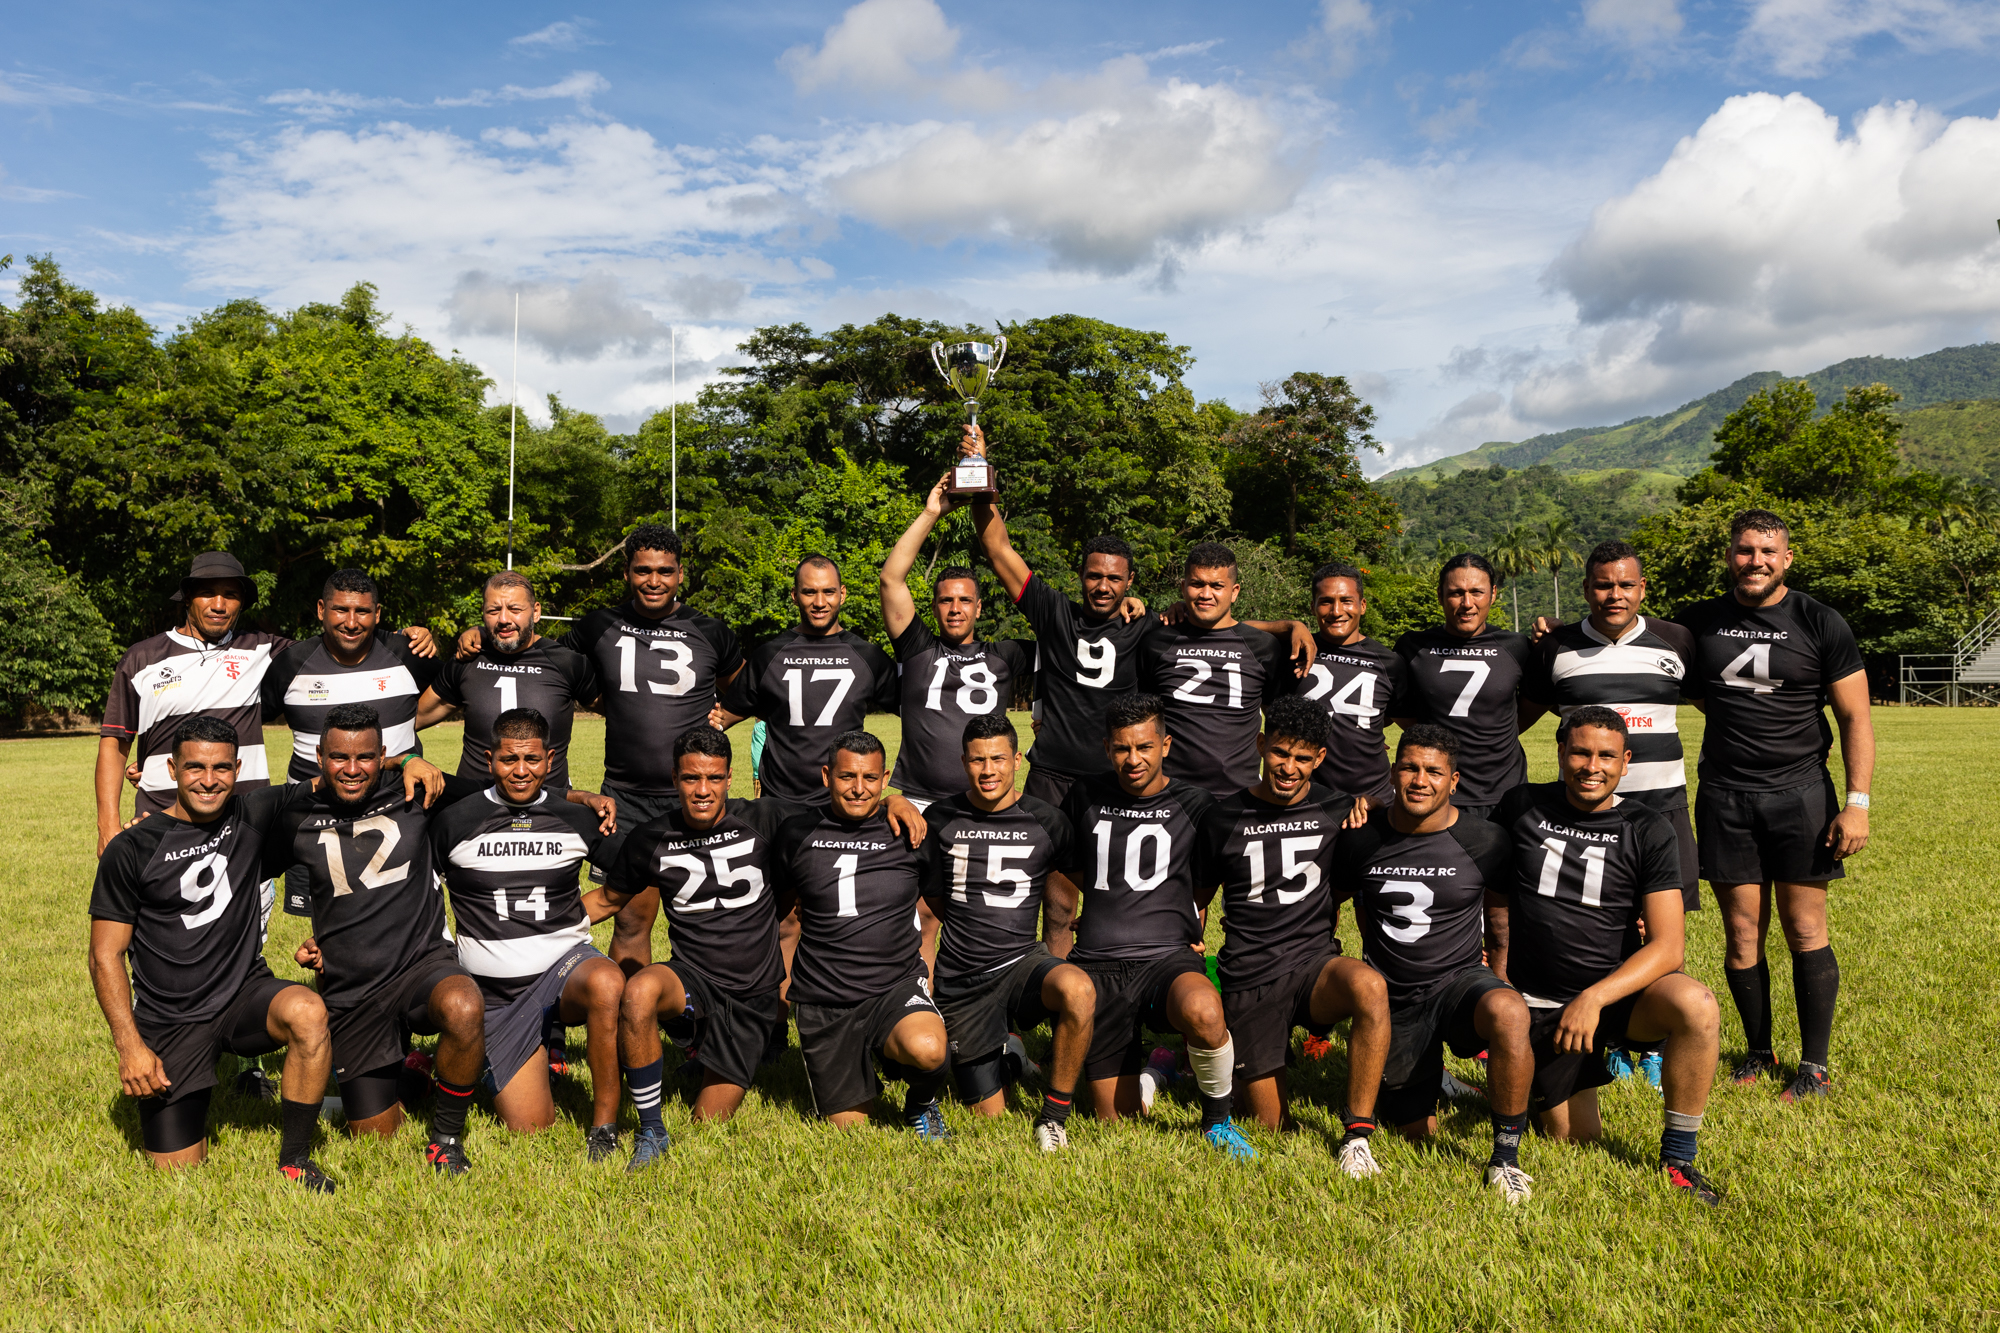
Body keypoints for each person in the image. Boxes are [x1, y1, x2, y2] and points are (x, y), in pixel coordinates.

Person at [88, 717, 337, 1188]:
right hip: (171, 1018)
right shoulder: (133, 848)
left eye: (222, 768)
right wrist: (131, 1047)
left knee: (307, 1011)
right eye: (195, 767)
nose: (208, 780)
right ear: (172, 768)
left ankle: (295, 1159)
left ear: (238, 768)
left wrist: (403, 762)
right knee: (177, 1175)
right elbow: (104, 956)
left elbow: (343, 776)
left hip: (244, 993)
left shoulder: (254, 813)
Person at [1488, 707, 1723, 1204]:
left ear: (1626, 761)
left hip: (1615, 999)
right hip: (1541, 1002)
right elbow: (1489, 885)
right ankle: (1548, 1073)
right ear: (1559, 752)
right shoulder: (1522, 804)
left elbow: (1668, 946)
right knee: (1574, 1139)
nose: (1591, 766)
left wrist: (1594, 999)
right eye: (1580, 752)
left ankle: (1679, 1157)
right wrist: (1497, 959)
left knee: (1696, 1004)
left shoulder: (1649, 827)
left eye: (1606, 756)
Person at [1677, 509, 1872, 1102]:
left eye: (1767, 551)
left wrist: (1857, 802)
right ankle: (1759, 1051)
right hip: (1726, 795)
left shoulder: (1819, 620)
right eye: (1744, 550)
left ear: (1787, 558)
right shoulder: (1701, 622)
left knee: (1805, 927)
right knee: (1741, 934)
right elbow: (1642, 647)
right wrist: (1560, 629)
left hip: (1802, 795)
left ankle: (1814, 1065)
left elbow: (1855, 716)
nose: (1754, 561)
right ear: (1730, 556)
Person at [276, 702, 495, 1175]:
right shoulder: (294, 813)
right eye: (339, 758)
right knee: (375, 1133)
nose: (352, 770)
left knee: (463, 1005)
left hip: (421, 965)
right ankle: (413, 1068)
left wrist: (582, 800)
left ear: (383, 757)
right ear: (319, 756)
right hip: (353, 990)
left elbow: (499, 794)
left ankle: (446, 1139)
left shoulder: (417, 789)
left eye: (366, 758)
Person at [97, 552, 436, 855]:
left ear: (242, 603)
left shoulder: (266, 652)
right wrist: (108, 825)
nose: (219, 604)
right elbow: (114, 743)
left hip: (246, 826)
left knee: (249, 922)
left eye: (230, 595)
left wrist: (405, 635)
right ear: (187, 598)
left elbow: (338, 646)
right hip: (160, 816)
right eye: (207, 593)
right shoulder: (142, 658)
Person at [1330, 724, 1536, 1204]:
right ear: (1393, 771)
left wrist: (1500, 979)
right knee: (1417, 1133)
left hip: (1458, 984)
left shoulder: (1487, 840)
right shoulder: (1362, 838)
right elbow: (1333, 903)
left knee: (1509, 1013)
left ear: (1454, 780)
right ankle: (1433, 1078)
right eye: (1409, 767)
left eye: (1433, 772)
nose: (1420, 780)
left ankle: (1504, 1159)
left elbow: (1499, 919)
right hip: (1393, 997)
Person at [1054, 693, 1256, 1159]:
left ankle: (1216, 1122)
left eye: (1144, 747)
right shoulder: (1084, 794)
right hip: (1099, 964)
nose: (1133, 759)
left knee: (1205, 1013)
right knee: (1115, 1120)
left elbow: (1208, 877)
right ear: (1107, 748)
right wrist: (1111, 901)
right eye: (1122, 748)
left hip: (1167, 959)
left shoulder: (1196, 803)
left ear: (1166, 744)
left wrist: (1188, 914)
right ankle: (1157, 1071)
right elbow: (1068, 861)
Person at [1194, 696, 1388, 1178]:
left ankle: (1357, 1135)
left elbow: (1399, 813)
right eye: (1280, 753)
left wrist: (1373, 804)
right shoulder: (1222, 817)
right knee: (1270, 1125)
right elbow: (1196, 900)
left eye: (1303, 758)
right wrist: (1188, 960)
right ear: (1261, 745)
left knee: (1370, 986)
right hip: (1251, 974)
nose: (1289, 767)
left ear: (1320, 759)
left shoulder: (1339, 808)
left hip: (1314, 965)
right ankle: (1211, 1062)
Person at [428, 708, 630, 1160]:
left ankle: (604, 1127)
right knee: (531, 1127)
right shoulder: (455, 821)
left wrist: (573, 919)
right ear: (489, 759)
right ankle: (495, 1057)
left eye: (533, 760)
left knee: (607, 980)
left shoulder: (576, 818)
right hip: (495, 994)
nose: (521, 771)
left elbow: (624, 882)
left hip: (563, 969)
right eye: (509, 760)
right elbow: (423, 898)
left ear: (550, 759)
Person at [607, 727, 805, 1169]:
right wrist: (542, 923)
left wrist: (894, 801)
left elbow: (841, 811)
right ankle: (652, 1129)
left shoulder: (767, 818)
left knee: (707, 1122)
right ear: (674, 778)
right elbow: (605, 900)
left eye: (713, 778)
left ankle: (705, 1051)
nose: (702, 790)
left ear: (729, 778)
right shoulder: (649, 838)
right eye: (691, 778)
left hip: (753, 998)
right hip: (693, 978)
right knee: (639, 991)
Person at [918, 712, 1095, 1150]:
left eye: (998, 759)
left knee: (1078, 990)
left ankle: (1053, 1116)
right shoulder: (941, 819)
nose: (988, 770)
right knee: (988, 1113)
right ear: (963, 762)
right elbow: (936, 904)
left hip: (1022, 964)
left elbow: (1093, 884)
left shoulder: (1048, 821)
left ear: (1017, 760)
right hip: (964, 981)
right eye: (978, 760)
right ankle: (1009, 1055)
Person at [769, 731, 952, 1136]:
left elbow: (942, 913)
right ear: (825, 775)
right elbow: (779, 916)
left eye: (870, 778)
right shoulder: (796, 834)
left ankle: (921, 1102)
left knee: (929, 1049)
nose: (858, 788)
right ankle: (870, 1059)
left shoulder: (912, 833)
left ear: (885, 778)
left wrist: (896, 801)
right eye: (846, 776)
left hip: (894, 987)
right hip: (824, 1000)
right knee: (852, 1131)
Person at [966, 433, 1156, 809]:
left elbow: (1218, 627)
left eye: (1115, 579)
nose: (1103, 587)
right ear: (1080, 574)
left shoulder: (1146, 626)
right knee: (1039, 866)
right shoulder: (1054, 613)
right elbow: (997, 548)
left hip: (1115, 777)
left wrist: (1286, 627)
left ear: (1130, 581)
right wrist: (980, 472)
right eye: (1094, 576)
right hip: (1050, 776)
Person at [265, 567, 446, 943]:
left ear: (377, 614)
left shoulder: (408, 654)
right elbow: (242, 722)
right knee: (330, 937)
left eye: (362, 611)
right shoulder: (289, 664)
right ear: (321, 610)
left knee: (415, 924)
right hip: (318, 822)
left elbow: (458, 688)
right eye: (340, 610)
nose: (351, 622)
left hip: (401, 814)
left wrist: (459, 638)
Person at [1523, 542, 1699, 911]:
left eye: (1626, 585)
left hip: (1663, 807)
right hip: (1585, 810)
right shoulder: (1555, 647)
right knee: (1588, 928)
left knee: (1664, 933)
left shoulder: (1677, 640)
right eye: (1603, 585)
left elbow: (1722, 709)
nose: (1615, 595)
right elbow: (1518, 719)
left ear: (1642, 587)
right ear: (1586, 589)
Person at [878, 477, 1032, 809]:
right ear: (934, 607)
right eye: (946, 600)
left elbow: (1064, 636)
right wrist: (931, 513)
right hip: (919, 802)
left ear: (978, 607)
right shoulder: (918, 647)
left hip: (985, 800)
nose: (955, 608)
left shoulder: (1005, 655)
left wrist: (1116, 610)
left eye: (964, 600)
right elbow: (891, 579)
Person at [710, 556, 898, 806]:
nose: (819, 602)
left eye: (828, 592)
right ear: (795, 595)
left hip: (843, 806)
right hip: (779, 806)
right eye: (809, 592)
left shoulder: (869, 657)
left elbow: (918, 713)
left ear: (842, 594)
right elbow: (723, 717)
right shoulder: (769, 655)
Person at [1138, 542, 1299, 798]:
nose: (1205, 594)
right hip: (1170, 793)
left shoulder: (1264, 647)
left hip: (1239, 794)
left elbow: (1277, 721)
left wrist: (1293, 625)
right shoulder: (1156, 642)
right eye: (1197, 584)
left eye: (1216, 586)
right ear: (1182, 587)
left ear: (1234, 591)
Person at [416, 571, 597, 791]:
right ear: (483, 613)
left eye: (515, 609)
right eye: (494, 610)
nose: (504, 619)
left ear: (536, 612)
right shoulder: (467, 660)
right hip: (476, 805)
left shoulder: (567, 662)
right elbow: (412, 720)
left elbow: (621, 714)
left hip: (547, 808)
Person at [1391, 554, 1537, 819]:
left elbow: (1533, 706)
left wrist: (1494, 735)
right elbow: (1401, 710)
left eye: (1477, 592)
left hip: (1503, 790)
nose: (1467, 603)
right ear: (1440, 595)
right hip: (1435, 791)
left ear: (1493, 594)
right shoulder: (1412, 646)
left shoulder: (1517, 646)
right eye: (1456, 593)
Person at [1299, 564, 1408, 812]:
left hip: (1371, 801)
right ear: (1312, 607)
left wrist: (1364, 728)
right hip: (1306, 801)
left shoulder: (1389, 662)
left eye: (1346, 601)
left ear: (1362, 605)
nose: (1336, 611)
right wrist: (1291, 626)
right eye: (1325, 601)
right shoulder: (1295, 650)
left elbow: (1409, 723)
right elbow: (1240, 629)